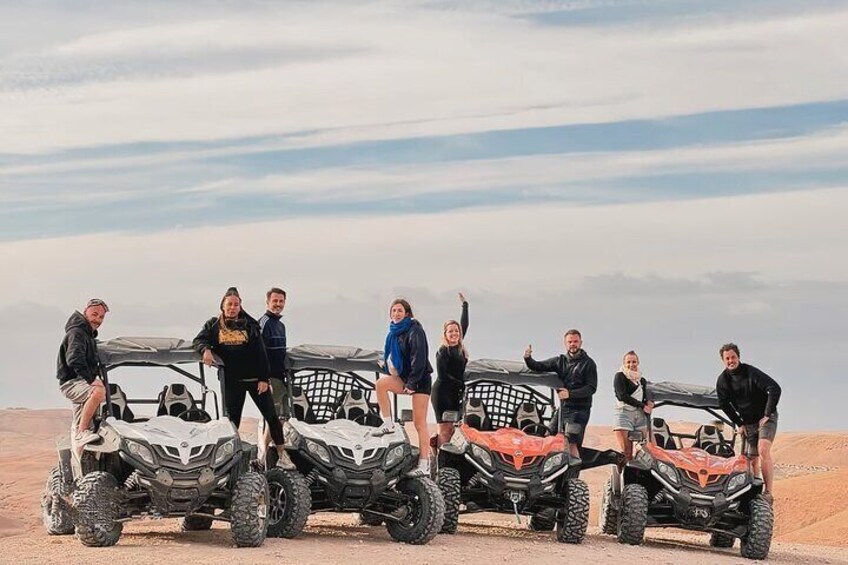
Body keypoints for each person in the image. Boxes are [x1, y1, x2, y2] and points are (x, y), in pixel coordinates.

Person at [194, 287, 294, 469]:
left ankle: (282, 455)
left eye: (236, 304)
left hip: (256, 380)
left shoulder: (250, 324)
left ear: (240, 306)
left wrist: (264, 378)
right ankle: (228, 459)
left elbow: (261, 353)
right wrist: (206, 350)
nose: (233, 308)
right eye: (230, 304)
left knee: (272, 417)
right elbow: (199, 339)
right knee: (232, 421)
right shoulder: (213, 324)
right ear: (223, 305)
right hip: (233, 382)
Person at [372, 298, 433, 477]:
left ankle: (424, 463)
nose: (396, 313)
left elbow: (419, 357)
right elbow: (392, 359)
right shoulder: (393, 333)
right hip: (405, 378)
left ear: (407, 313)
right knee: (381, 384)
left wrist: (412, 383)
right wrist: (384, 365)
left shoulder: (415, 330)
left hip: (420, 379)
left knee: (419, 423)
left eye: (400, 310)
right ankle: (388, 423)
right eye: (394, 311)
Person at [716, 343, 781, 503]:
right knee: (751, 458)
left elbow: (774, 388)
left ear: (738, 357)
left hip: (766, 417)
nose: (731, 361)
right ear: (723, 360)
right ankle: (754, 490)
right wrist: (739, 423)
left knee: (763, 449)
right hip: (748, 422)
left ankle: (768, 492)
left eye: (733, 357)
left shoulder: (751, 372)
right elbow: (723, 404)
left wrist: (767, 414)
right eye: (727, 358)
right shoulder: (723, 381)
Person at [524, 329, 597, 459]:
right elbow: (538, 366)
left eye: (575, 341)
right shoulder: (560, 361)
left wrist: (570, 394)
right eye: (570, 342)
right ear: (565, 343)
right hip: (563, 409)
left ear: (581, 343)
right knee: (548, 437)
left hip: (580, 410)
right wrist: (528, 358)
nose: (573, 344)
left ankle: (573, 471)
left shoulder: (588, 363)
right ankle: (544, 469)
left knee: (571, 442)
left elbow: (591, 388)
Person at [57, 299, 109, 447]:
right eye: (94, 314)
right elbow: (74, 359)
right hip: (72, 382)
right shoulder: (77, 333)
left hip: (81, 382)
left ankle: (79, 441)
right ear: (85, 312)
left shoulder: (88, 335)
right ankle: (82, 432)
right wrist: (92, 379)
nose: (98, 319)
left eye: (101, 317)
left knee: (82, 434)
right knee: (99, 391)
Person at [430, 293, 469, 446]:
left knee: (453, 429)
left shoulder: (459, 348)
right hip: (442, 393)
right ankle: (440, 457)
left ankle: (435, 449)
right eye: (450, 331)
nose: (454, 333)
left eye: (456, 331)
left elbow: (464, 324)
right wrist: (462, 384)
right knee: (445, 430)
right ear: (445, 334)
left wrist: (465, 305)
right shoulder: (443, 351)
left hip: (455, 394)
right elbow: (443, 375)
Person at [258, 287, 288, 459]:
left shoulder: (281, 326)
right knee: (273, 418)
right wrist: (264, 378)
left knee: (282, 418)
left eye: (281, 301)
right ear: (267, 302)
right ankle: (262, 457)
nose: (278, 304)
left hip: (280, 378)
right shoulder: (264, 323)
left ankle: (270, 455)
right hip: (269, 379)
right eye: (275, 301)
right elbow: (258, 352)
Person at [612, 350, 653, 461]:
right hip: (624, 413)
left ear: (638, 362)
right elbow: (622, 396)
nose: (631, 364)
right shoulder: (620, 376)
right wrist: (642, 405)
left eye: (634, 362)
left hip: (640, 415)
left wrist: (649, 403)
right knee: (627, 453)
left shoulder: (642, 380)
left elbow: (644, 398)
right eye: (628, 362)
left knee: (648, 449)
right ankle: (624, 471)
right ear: (624, 363)